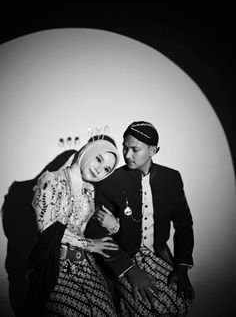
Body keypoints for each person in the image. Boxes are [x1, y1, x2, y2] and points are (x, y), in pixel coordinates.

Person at [85, 121, 194, 316]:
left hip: (157, 254)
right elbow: (97, 232)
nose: (127, 155)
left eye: (135, 149)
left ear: (153, 150)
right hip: (123, 258)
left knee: (182, 302)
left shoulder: (171, 179)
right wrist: (129, 270)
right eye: (124, 148)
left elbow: (184, 224)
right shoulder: (111, 181)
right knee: (150, 308)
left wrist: (182, 267)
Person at [24, 135, 120, 317]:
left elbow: (91, 224)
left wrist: (115, 225)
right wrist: (90, 245)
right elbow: (48, 229)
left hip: (85, 265)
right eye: (98, 159)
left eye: (106, 168)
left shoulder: (89, 189)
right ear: (86, 152)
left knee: (106, 312)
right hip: (54, 265)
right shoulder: (50, 180)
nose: (99, 169)